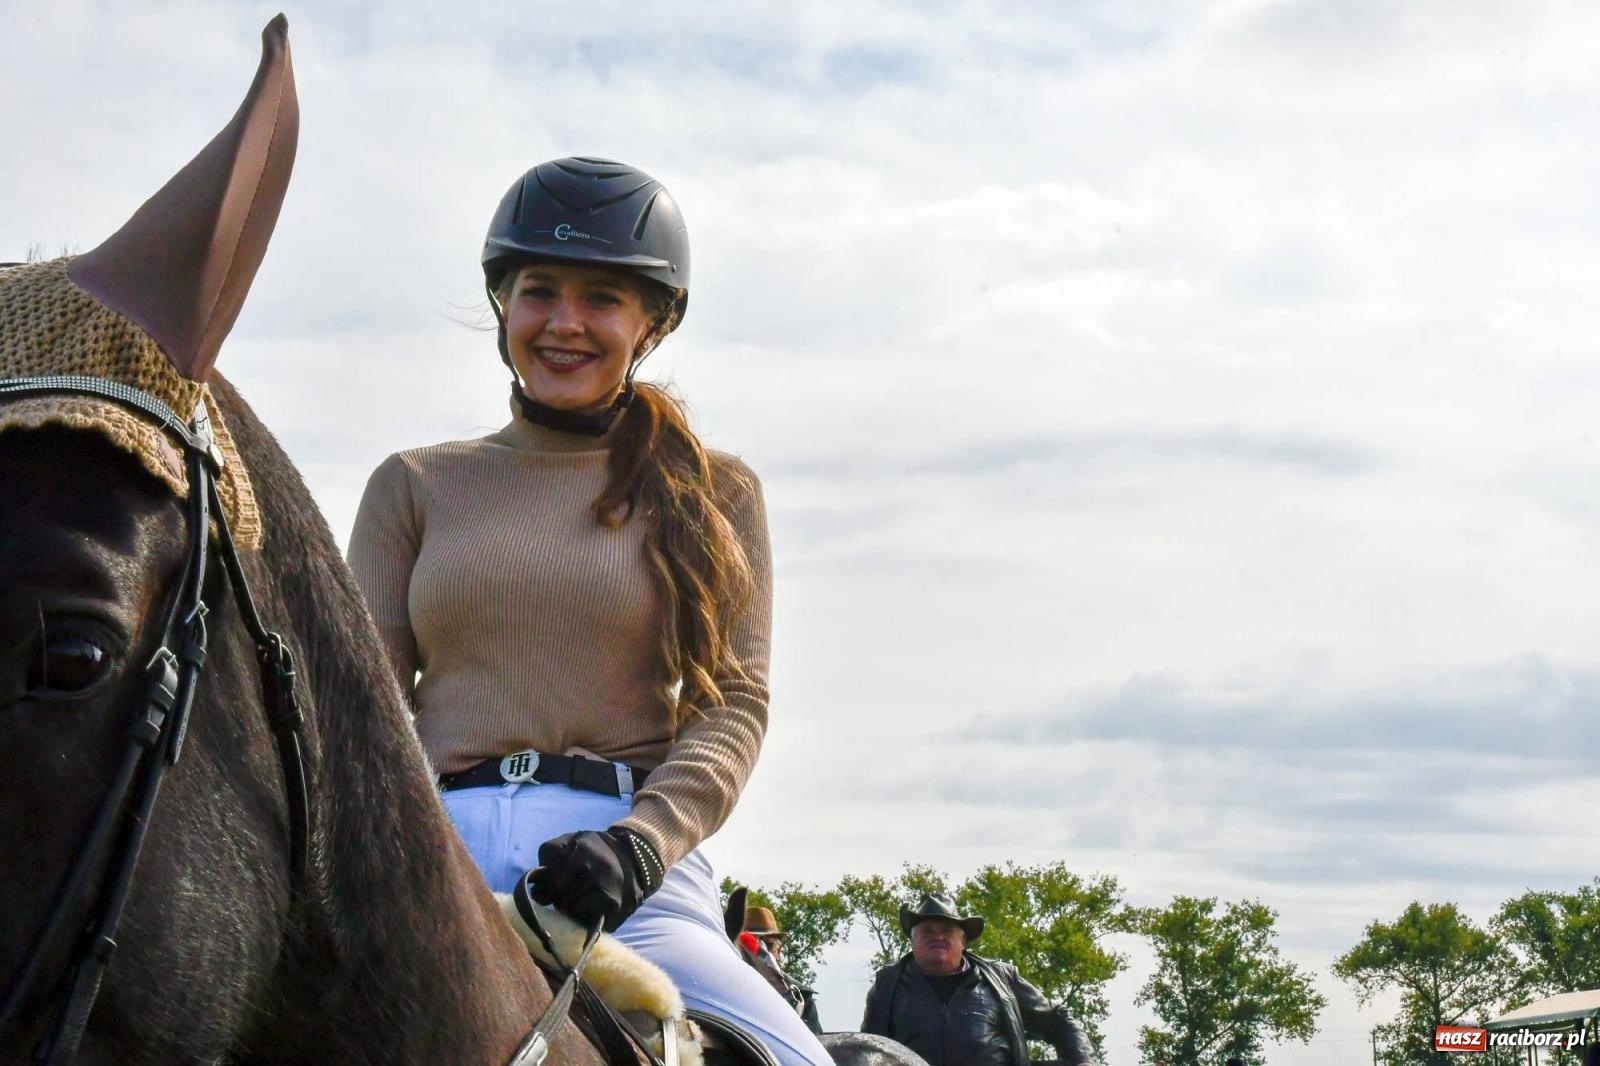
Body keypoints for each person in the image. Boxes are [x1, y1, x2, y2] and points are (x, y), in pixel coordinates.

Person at [348, 157, 830, 1066]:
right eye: (539, 291)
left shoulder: (719, 491)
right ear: (504, 304)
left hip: (631, 877)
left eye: (601, 299)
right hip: (434, 857)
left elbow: (733, 705)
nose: (563, 322)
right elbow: (360, 702)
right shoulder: (412, 485)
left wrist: (642, 845)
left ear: (653, 322)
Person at [861, 893, 1098, 1066]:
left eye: (947, 931)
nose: (938, 937)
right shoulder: (887, 987)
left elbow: (1058, 1020)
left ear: (963, 941)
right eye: (927, 931)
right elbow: (866, 1051)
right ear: (912, 939)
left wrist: (1083, 1061)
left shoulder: (1001, 979)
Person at [741, 905, 823, 1034]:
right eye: (749, 944)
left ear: (778, 950)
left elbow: (815, 1042)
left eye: (768, 945)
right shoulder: (724, 989)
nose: (760, 952)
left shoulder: (801, 996)